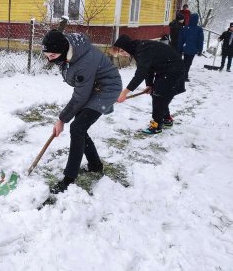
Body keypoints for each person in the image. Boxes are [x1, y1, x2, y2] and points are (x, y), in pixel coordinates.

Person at [41, 30, 122, 194]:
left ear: (63, 50)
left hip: (106, 89)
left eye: (53, 55)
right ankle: (95, 165)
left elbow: (80, 97)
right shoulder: (67, 48)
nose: (50, 59)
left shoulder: (83, 63)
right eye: (47, 55)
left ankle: (69, 179)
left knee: (77, 127)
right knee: (80, 128)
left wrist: (62, 120)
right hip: (92, 86)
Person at [113, 35, 185, 134]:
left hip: (173, 71)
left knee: (159, 96)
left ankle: (156, 126)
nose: (122, 54)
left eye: (122, 51)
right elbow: (148, 69)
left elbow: (140, 74)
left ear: (127, 47)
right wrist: (150, 85)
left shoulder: (142, 50)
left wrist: (125, 92)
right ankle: (166, 119)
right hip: (168, 70)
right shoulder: (139, 48)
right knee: (158, 94)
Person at [178, 13, 204, 81]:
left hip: (185, 48)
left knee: (185, 62)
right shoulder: (199, 29)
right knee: (188, 63)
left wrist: (180, 48)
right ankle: (184, 76)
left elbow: (181, 39)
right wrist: (200, 50)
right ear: (197, 20)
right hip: (193, 49)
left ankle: (182, 75)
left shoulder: (185, 28)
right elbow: (200, 40)